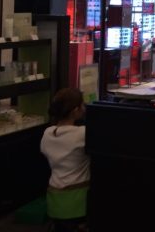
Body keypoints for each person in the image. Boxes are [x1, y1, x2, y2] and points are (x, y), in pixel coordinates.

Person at [40, 88, 89, 232]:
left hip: (54, 198)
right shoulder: (82, 134)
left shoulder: (48, 133)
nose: (84, 108)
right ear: (75, 110)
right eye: (82, 105)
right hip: (79, 199)